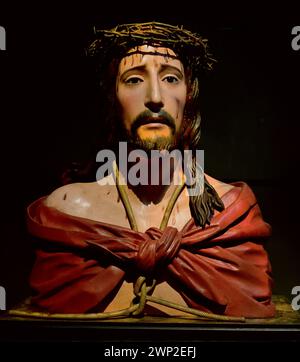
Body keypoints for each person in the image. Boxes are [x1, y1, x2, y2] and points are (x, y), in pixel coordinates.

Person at [22, 22, 275, 319]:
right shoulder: (68, 214)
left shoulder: (232, 215)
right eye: (133, 80)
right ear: (112, 100)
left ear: (189, 97)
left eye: (170, 78)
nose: (155, 97)